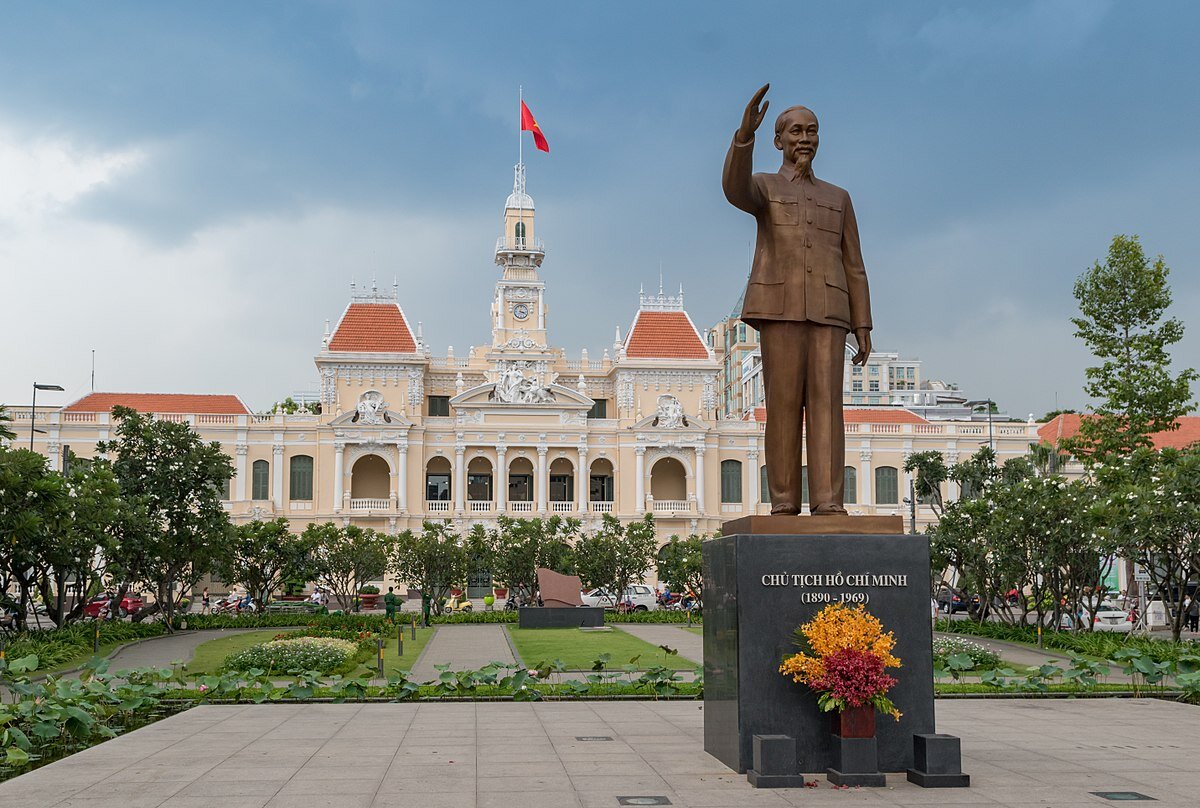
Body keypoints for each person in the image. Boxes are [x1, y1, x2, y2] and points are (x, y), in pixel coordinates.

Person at [723, 84, 874, 514]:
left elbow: (854, 264)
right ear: (778, 140)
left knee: (828, 409)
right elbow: (734, 189)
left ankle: (829, 504)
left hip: (830, 313)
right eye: (795, 132)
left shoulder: (838, 197)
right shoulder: (764, 187)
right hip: (779, 310)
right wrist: (742, 137)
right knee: (784, 407)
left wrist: (862, 324)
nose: (804, 139)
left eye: (812, 131)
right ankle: (784, 504)